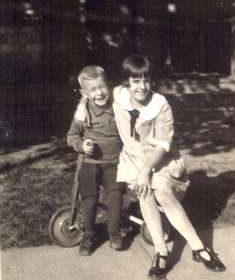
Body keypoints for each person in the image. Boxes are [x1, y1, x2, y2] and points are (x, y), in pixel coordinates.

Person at [112, 55, 226, 279]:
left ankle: (199, 247)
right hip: (133, 159)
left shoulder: (161, 105)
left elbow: (163, 146)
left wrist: (145, 171)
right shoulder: (119, 96)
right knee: (144, 192)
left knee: (162, 194)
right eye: (135, 80)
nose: (141, 86)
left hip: (161, 159)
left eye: (146, 79)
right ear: (127, 82)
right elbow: (93, 91)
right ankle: (161, 252)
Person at [67, 65, 124, 256]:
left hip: (115, 162)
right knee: (89, 200)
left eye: (102, 87)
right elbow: (72, 136)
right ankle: (88, 235)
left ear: (108, 85)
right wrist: (82, 145)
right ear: (85, 92)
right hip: (90, 163)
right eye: (93, 89)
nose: (99, 92)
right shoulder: (83, 113)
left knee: (115, 198)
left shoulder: (118, 108)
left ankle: (114, 234)